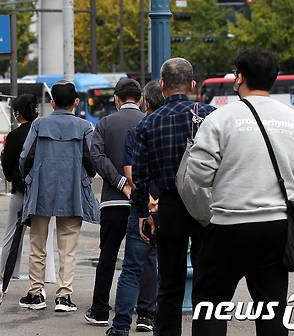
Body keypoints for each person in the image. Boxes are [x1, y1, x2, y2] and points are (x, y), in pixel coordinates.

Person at [187, 48, 294, 336]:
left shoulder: (220, 119)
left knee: (210, 304)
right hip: (274, 227)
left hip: (226, 225)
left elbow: (197, 174)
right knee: (272, 307)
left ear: (240, 78)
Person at [131, 58, 215, 335]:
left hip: (169, 206)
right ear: (193, 85)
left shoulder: (148, 123)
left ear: (162, 85)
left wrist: (144, 212)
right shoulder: (211, 116)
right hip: (207, 206)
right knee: (208, 279)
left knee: (168, 283)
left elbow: (140, 176)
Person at [18, 80, 100, 312]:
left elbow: (25, 157)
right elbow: (91, 159)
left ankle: (36, 293)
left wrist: (29, 178)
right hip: (72, 188)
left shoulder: (39, 125)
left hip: (41, 188)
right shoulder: (84, 126)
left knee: (37, 244)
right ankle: (63, 296)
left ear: (52, 102)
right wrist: (86, 176)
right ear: (76, 102)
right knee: (68, 246)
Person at [105, 80, 164, 335]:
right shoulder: (194, 120)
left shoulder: (139, 130)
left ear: (146, 102)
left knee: (131, 268)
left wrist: (149, 199)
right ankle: (153, 318)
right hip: (179, 208)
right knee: (168, 267)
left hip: (143, 208)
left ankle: (120, 327)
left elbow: (130, 173)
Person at [85, 79, 145, 325]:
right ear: (140, 99)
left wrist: (120, 181)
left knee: (108, 256)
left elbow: (96, 155)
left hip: (112, 202)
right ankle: (145, 313)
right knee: (144, 259)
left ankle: (99, 309)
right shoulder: (148, 121)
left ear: (117, 99)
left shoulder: (105, 123)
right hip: (144, 202)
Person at [0, 94, 39, 292]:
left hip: (21, 191)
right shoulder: (42, 132)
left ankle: (5, 276)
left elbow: (7, 170)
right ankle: (43, 281)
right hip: (43, 193)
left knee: (12, 234)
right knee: (42, 238)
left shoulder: (15, 136)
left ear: (17, 114)